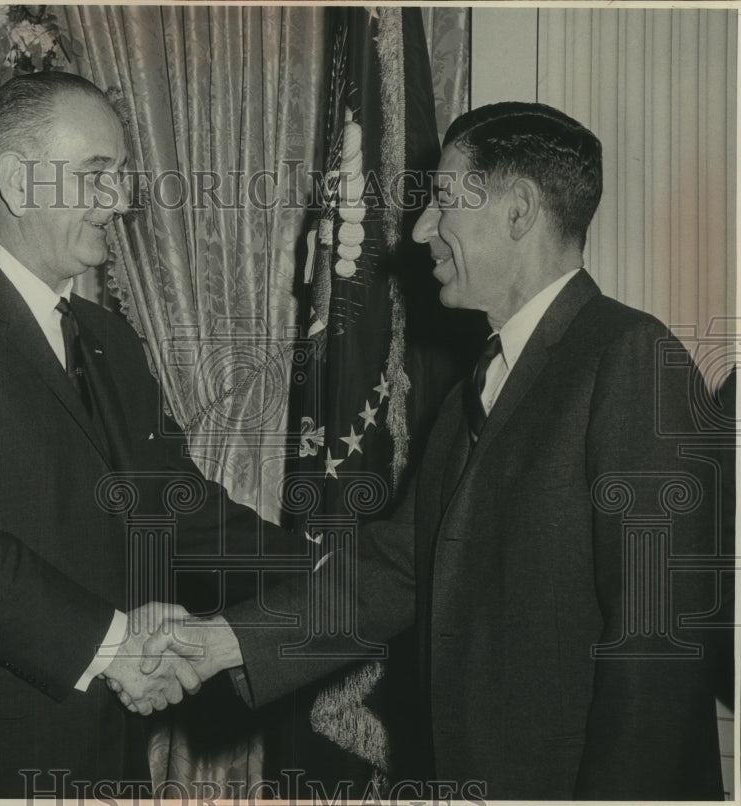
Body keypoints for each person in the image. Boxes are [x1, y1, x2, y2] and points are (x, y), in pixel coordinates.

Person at [134, 102, 725, 799]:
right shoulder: (477, 387)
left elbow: (656, 644)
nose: (421, 231)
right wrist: (222, 643)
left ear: (518, 211)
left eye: (442, 201)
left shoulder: (629, 356)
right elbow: (397, 570)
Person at [0, 71, 301, 798]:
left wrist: (332, 574)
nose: (119, 202)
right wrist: (115, 645)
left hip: (96, 743)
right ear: (20, 183)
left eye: (121, 177)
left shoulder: (108, 337)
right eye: (96, 175)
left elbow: (176, 504)